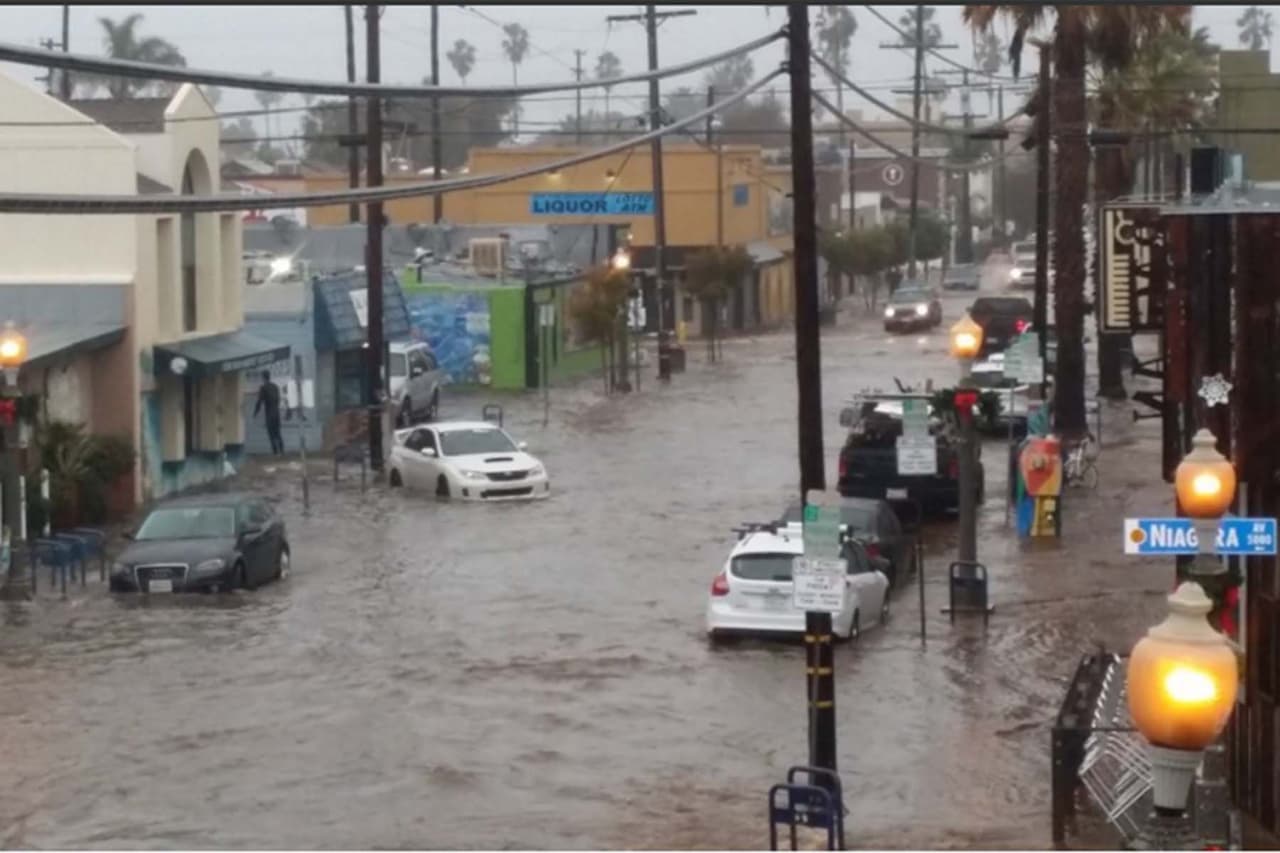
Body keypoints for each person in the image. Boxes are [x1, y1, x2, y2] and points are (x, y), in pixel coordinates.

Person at [254, 371, 284, 456]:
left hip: (269, 414)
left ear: (263, 378)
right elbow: (278, 400)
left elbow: (259, 401)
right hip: (276, 413)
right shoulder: (275, 386)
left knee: (271, 434)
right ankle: (281, 451)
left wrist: (255, 412)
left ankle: (275, 452)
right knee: (278, 433)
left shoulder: (263, 388)